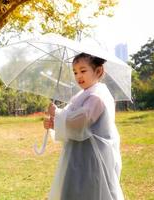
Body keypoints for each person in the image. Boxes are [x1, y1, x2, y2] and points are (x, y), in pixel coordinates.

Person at [44, 52, 124, 200]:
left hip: (92, 155)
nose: (78, 76)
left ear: (98, 71)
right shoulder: (81, 95)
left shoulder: (98, 95)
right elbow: (69, 120)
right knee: (72, 189)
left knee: (90, 190)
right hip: (77, 154)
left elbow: (83, 120)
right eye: (75, 72)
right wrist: (54, 122)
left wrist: (58, 113)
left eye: (83, 71)